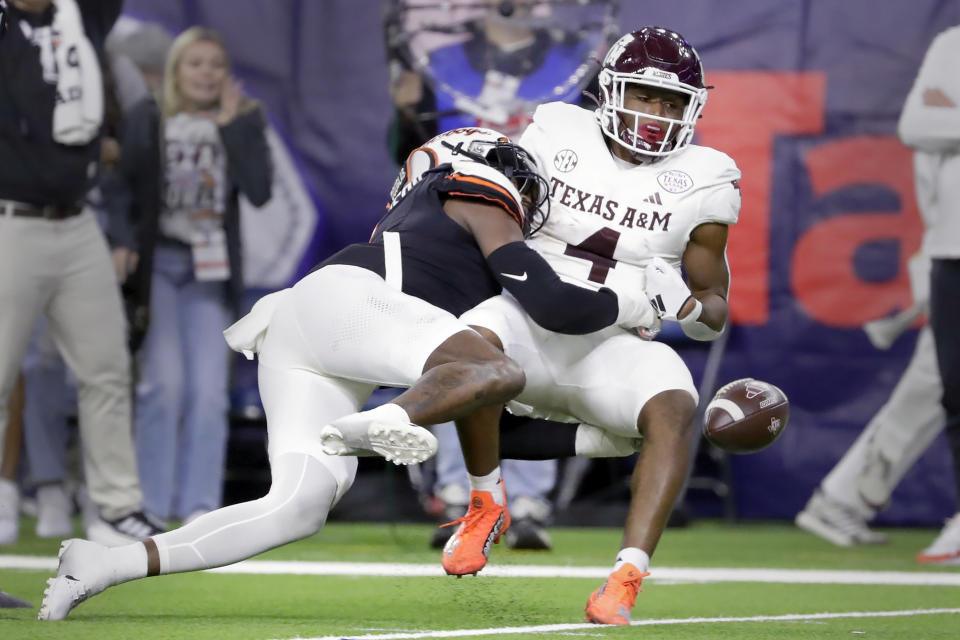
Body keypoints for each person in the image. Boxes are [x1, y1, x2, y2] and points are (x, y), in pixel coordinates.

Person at [37, 126, 655, 620]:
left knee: (297, 507)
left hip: (313, 332)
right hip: (348, 303)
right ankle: (370, 427)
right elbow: (550, 306)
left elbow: (493, 416)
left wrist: (597, 439)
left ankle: (105, 564)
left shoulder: (441, 267)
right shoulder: (472, 188)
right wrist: (634, 303)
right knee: (494, 367)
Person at [454, 26, 741, 624]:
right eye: (643, 96)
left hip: (613, 341)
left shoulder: (707, 177)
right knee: (468, 353)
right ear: (611, 91)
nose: (656, 116)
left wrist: (688, 310)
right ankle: (485, 501)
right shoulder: (557, 130)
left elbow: (714, 310)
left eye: (671, 104)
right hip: (528, 313)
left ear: (693, 110)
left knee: (675, 405)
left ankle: (627, 575)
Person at [386, 0, 618, 551]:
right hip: (459, 226)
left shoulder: (579, 61)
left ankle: (530, 498)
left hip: (539, 222)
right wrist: (403, 112)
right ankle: (456, 494)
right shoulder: (435, 61)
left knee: (530, 347)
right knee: (451, 352)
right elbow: (411, 161)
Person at [0, 0, 161, 545]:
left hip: (77, 224)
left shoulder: (82, 15)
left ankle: (116, 510)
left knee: (106, 369)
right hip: (9, 221)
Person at [114, 26, 273, 526]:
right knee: (164, 386)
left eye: (216, 64)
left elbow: (261, 190)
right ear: (176, 71)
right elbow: (122, 187)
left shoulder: (245, 119)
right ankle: (153, 506)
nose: (206, 73)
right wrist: (120, 240)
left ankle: (199, 504)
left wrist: (230, 126)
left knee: (207, 391)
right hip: (159, 264)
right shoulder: (150, 115)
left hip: (211, 271)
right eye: (195, 63)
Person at [895, 24, 960, 564]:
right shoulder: (951, 43)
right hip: (952, 246)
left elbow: (937, 123)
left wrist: (952, 114)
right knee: (956, 393)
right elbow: (916, 125)